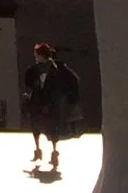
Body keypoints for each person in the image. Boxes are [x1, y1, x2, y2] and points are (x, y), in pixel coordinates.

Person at [21, 42, 82, 173]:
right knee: (35, 125)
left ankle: (54, 153)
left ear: (41, 55)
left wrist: (68, 97)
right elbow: (29, 84)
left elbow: (72, 80)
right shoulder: (33, 70)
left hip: (52, 103)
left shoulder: (57, 68)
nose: (35, 57)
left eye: (37, 55)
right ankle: (38, 150)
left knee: (52, 128)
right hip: (37, 102)